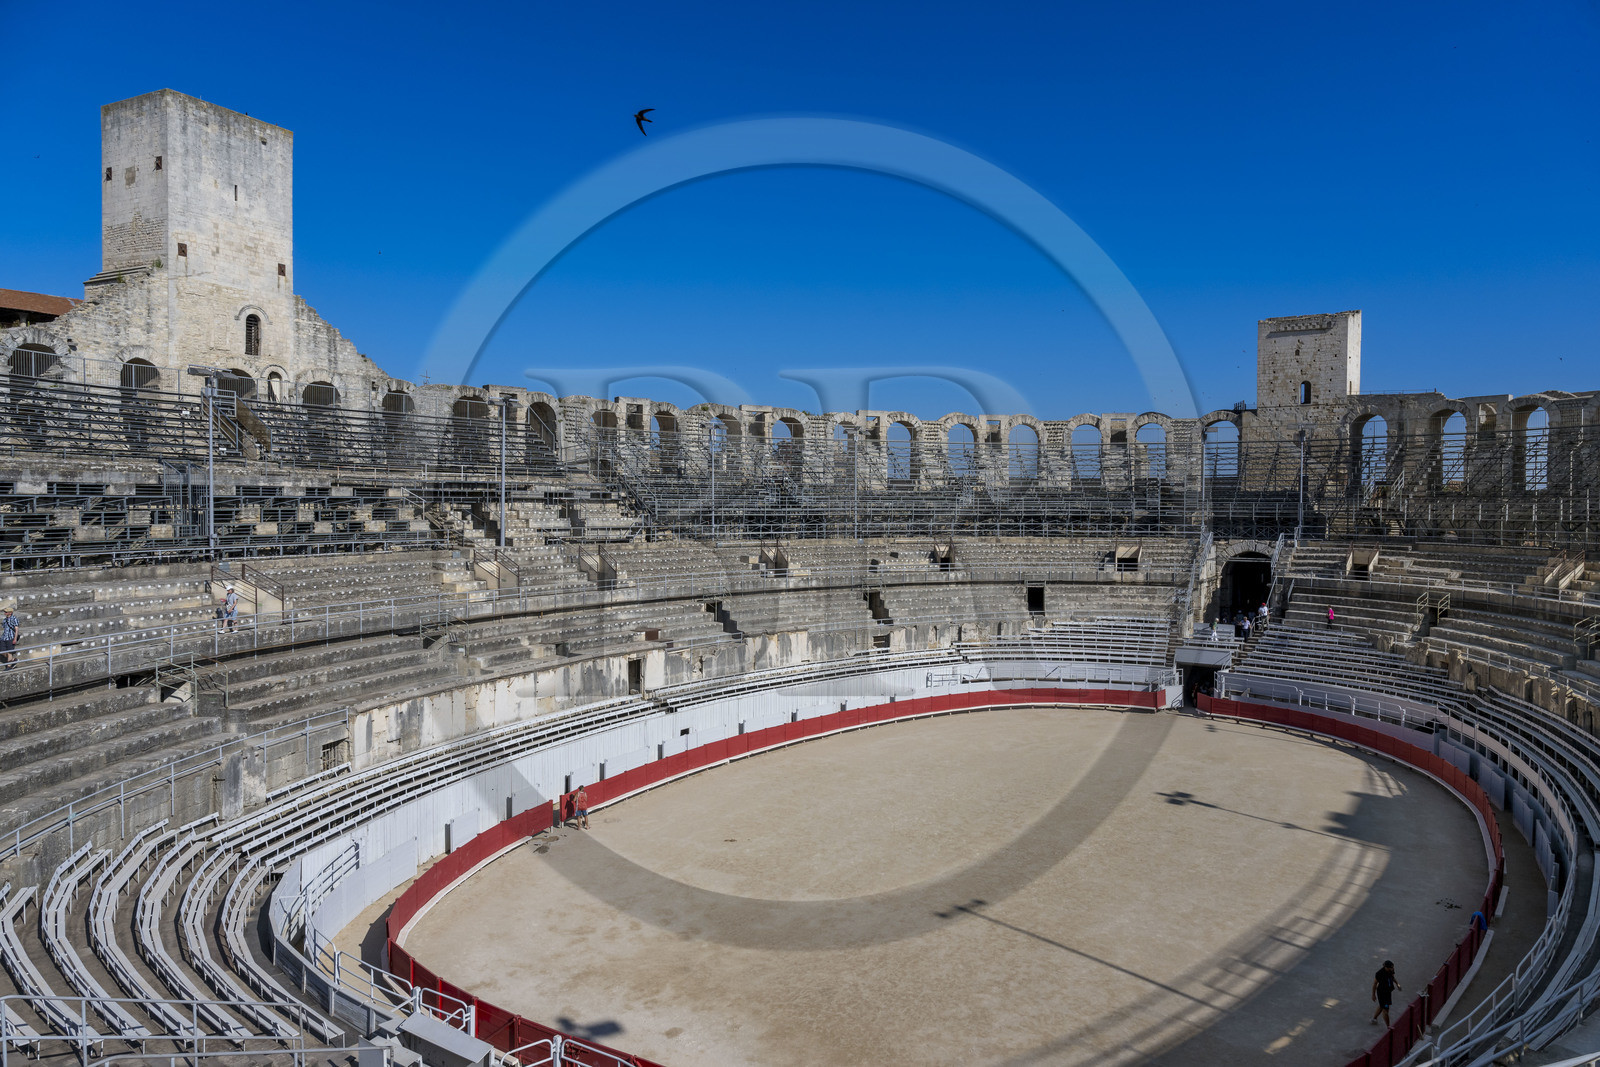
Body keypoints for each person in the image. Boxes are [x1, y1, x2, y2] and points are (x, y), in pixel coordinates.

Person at [1372, 960, 1401, 1026]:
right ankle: (1389, 1027)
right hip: (1382, 993)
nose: (1392, 969)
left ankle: (1374, 1019)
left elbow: (1392, 977)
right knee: (1385, 1010)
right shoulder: (1379, 973)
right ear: (1386, 967)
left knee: (1381, 1006)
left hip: (1388, 992)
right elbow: (1374, 984)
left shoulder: (1391, 970)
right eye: (1391, 967)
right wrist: (1373, 995)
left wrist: (1397, 984)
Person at [0, 606, 18, 670]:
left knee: (9, 652)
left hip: (10, 638)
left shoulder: (14, 619)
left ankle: (9, 666)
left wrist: (15, 639)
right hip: (4, 638)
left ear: (10, 613)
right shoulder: (5, 620)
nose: (4, 613)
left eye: (6, 612)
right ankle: (13, 660)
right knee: (2, 652)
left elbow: (16, 629)